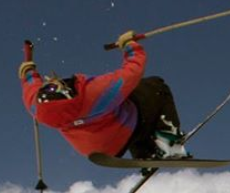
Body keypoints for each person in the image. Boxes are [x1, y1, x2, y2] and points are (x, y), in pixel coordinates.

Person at [19, 31, 188, 162]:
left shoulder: (39, 108)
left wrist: (28, 71)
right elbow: (132, 72)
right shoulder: (95, 94)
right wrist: (130, 46)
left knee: (125, 112)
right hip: (126, 129)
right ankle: (169, 140)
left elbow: (30, 87)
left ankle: (146, 154)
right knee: (154, 86)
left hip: (97, 150)